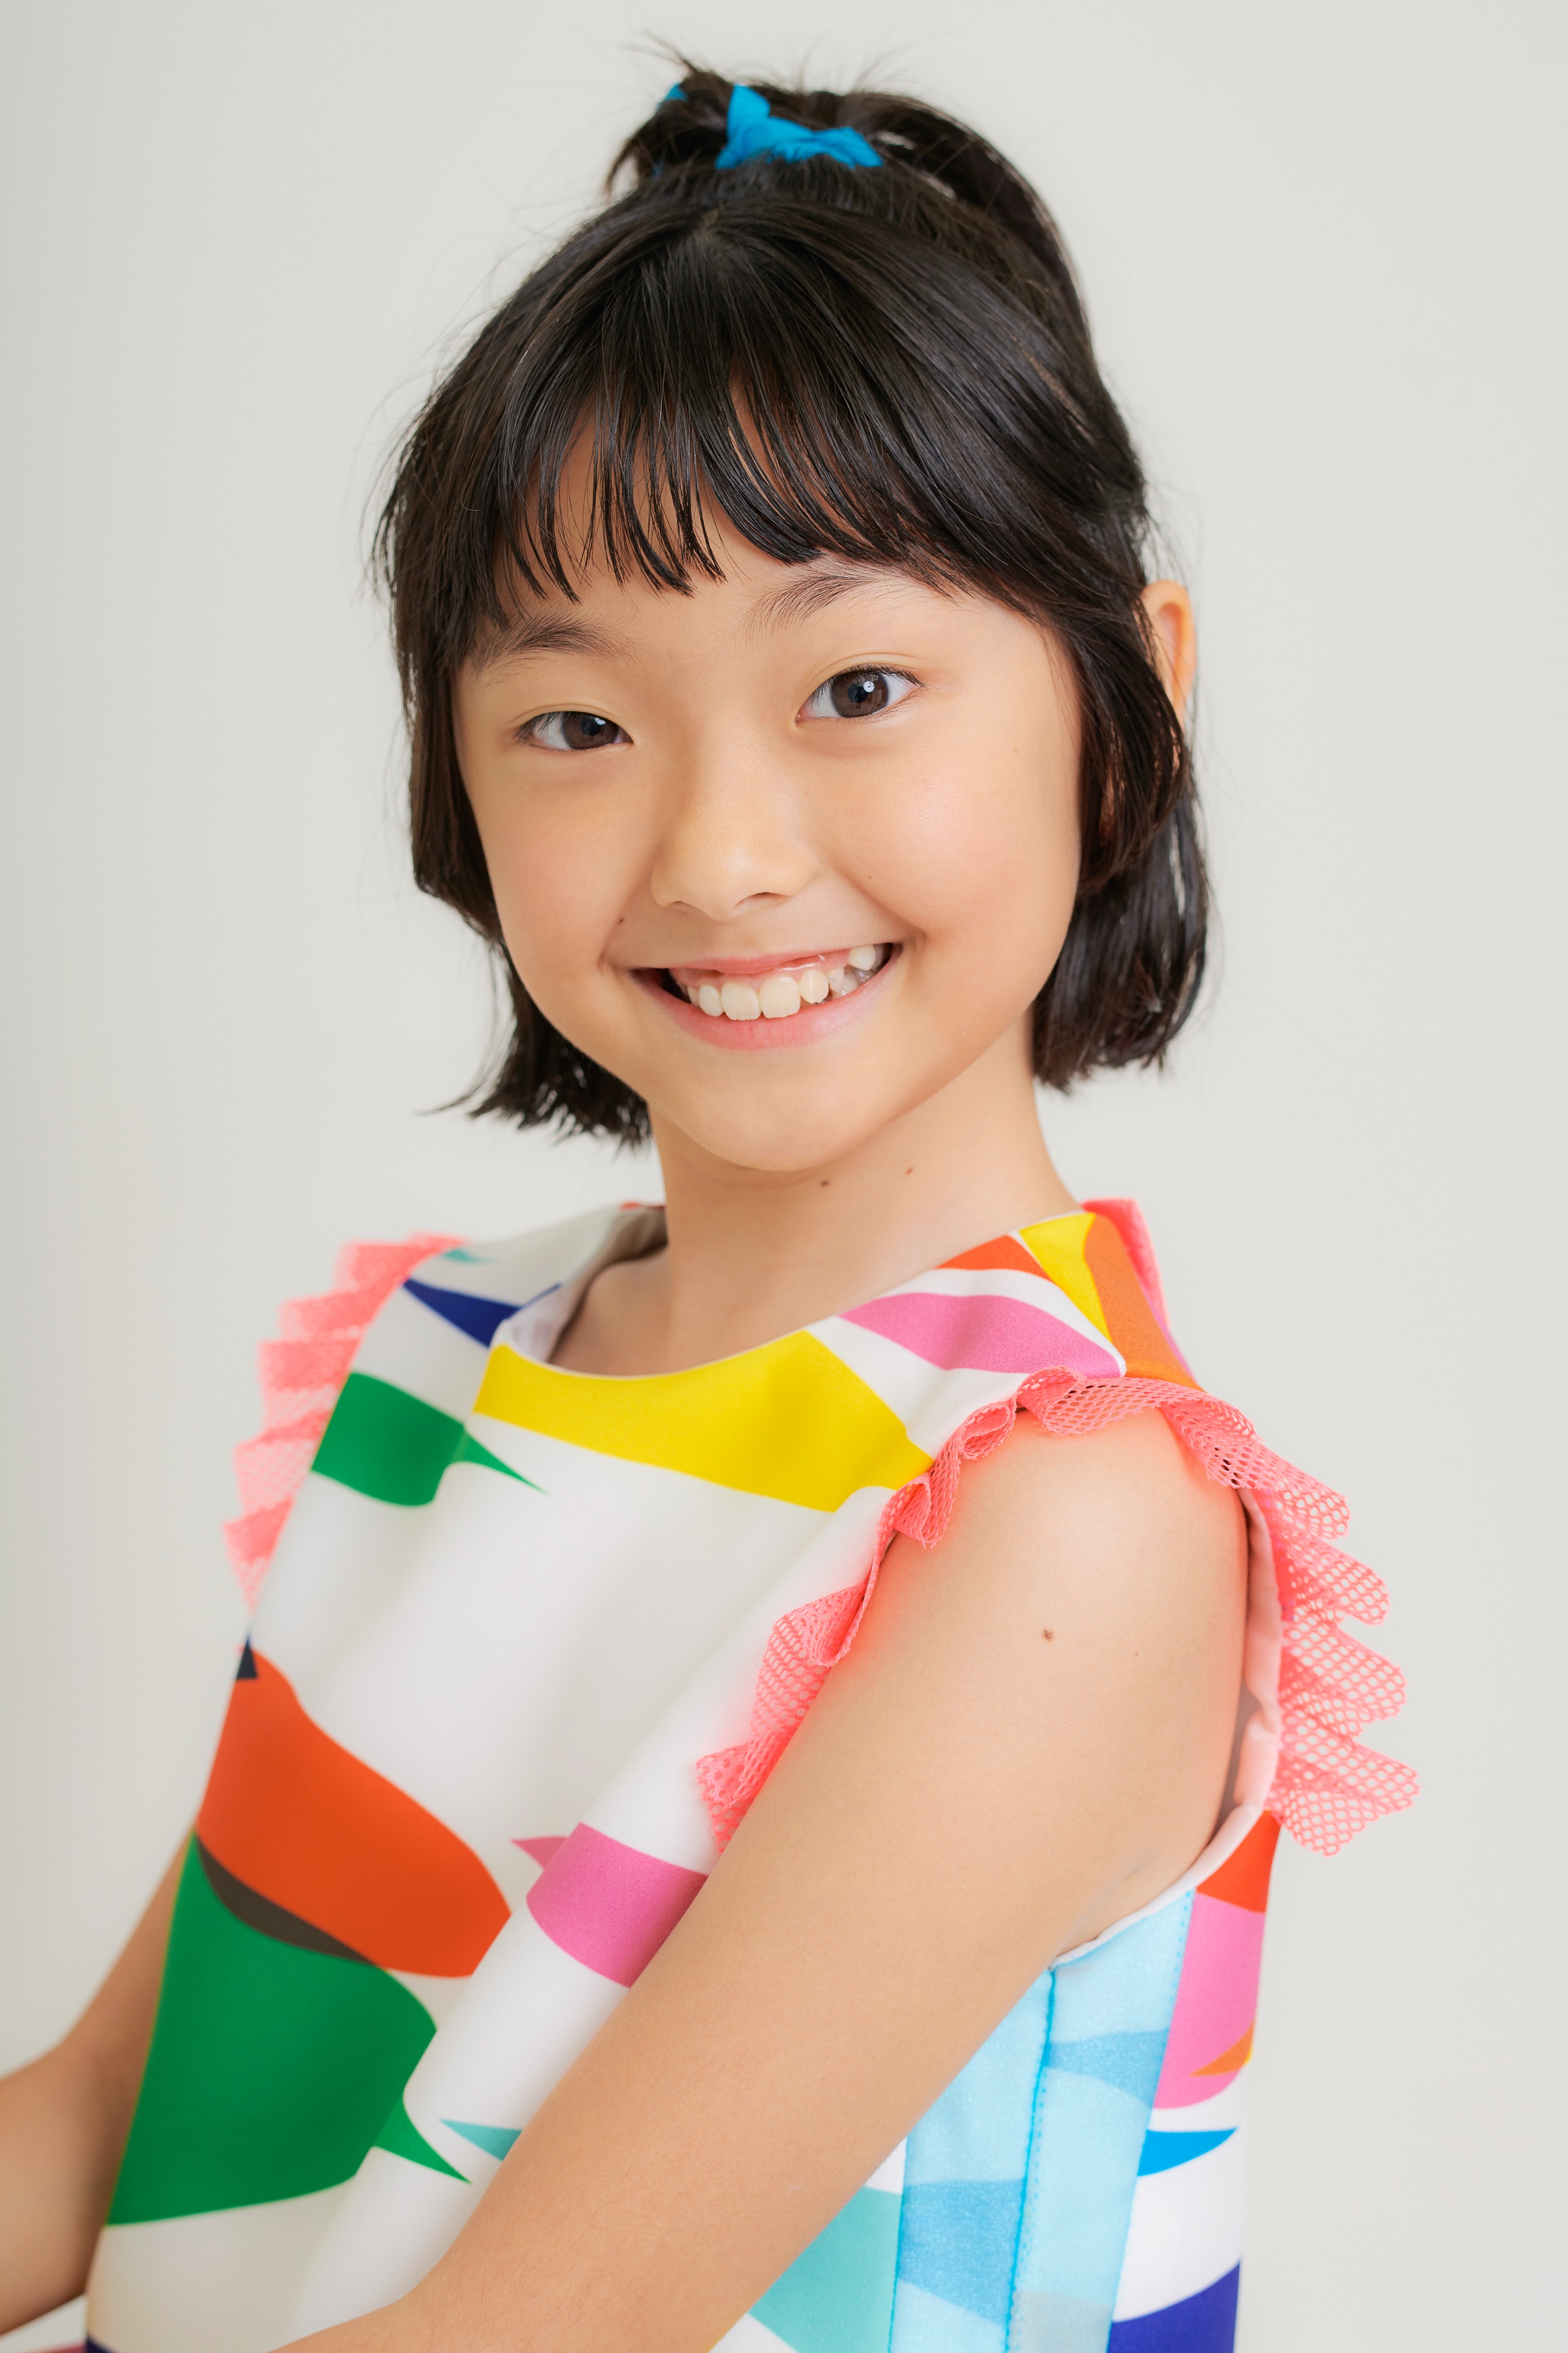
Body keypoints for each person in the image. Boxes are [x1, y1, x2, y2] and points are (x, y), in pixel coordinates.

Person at [0, 68, 1415, 2353]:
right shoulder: (458, 1354)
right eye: (577, 723)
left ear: (1131, 697)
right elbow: (99, 2125)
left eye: (856, 685)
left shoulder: (1063, 1514)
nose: (722, 855)